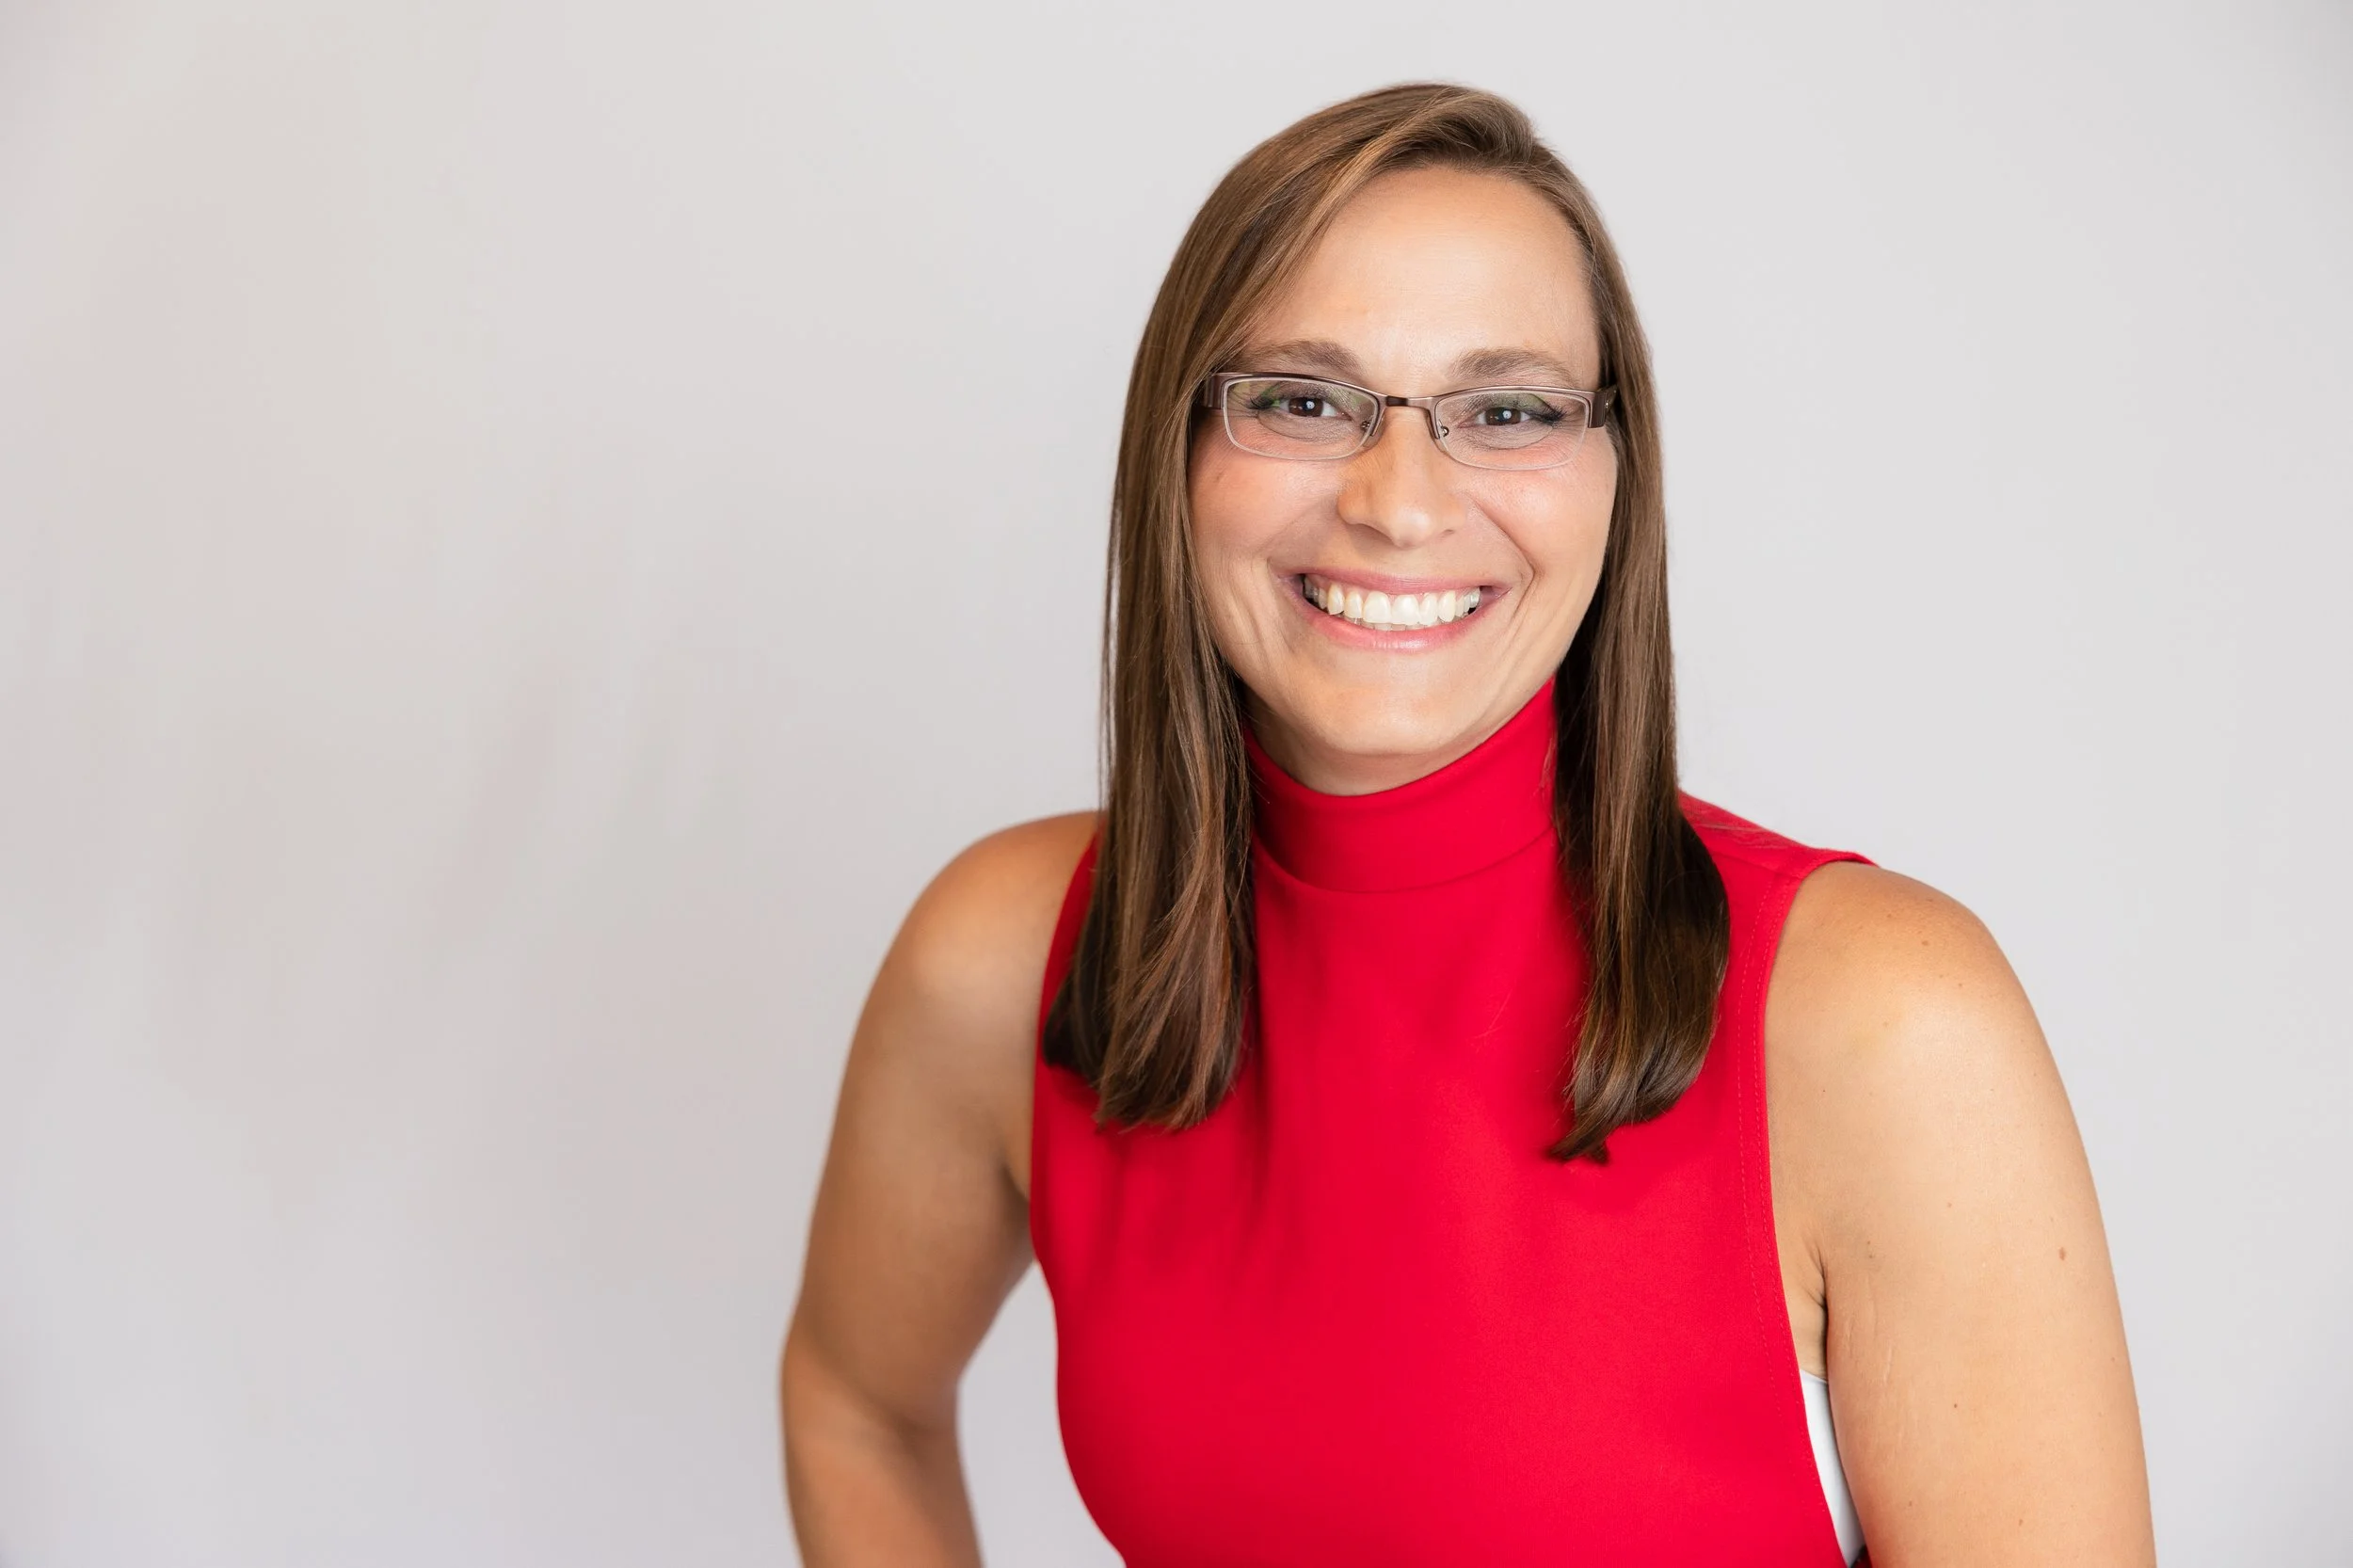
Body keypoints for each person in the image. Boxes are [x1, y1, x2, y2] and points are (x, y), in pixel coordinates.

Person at [779, 83, 2154, 1566]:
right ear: (1176, 451)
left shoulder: (1879, 1018)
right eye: (1304, 400)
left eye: (1505, 411)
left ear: (1615, 475)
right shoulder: (1008, 958)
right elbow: (856, 1401)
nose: (1400, 502)